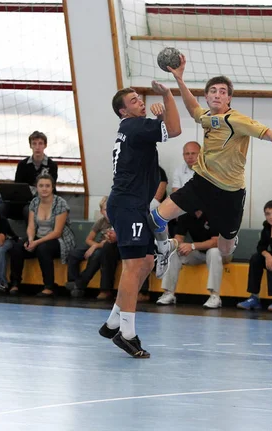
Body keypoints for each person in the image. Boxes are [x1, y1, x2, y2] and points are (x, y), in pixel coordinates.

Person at [148, 54, 272, 263]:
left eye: (223, 92)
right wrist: (180, 80)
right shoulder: (207, 116)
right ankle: (164, 248)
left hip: (229, 193)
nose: (217, 94)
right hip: (201, 183)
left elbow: (271, 133)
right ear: (207, 97)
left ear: (229, 99)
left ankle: (230, 239)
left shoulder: (237, 120)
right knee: (156, 217)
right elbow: (193, 109)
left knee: (224, 250)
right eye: (213, 91)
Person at [98, 81, 181, 359]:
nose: (140, 102)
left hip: (134, 204)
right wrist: (169, 96)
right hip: (128, 205)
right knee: (133, 267)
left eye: (139, 98)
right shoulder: (134, 126)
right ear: (123, 111)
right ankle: (127, 333)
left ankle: (112, 323)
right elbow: (175, 129)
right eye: (134, 101)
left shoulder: (133, 129)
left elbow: (161, 131)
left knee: (145, 262)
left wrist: (158, 118)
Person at [9, 174, 75, 296]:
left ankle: (49, 286)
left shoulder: (61, 203)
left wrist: (36, 242)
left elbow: (57, 232)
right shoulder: (34, 202)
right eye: (41, 186)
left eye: (47, 186)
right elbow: (31, 226)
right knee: (18, 246)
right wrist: (30, 240)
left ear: (52, 187)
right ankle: (14, 284)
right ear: (36, 188)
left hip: (59, 239)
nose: (44, 189)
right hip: (38, 236)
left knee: (43, 248)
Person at [156, 210, 226, 308]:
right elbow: (179, 237)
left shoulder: (214, 212)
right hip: (199, 252)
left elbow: (215, 242)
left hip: (223, 252)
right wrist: (171, 244)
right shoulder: (185, 213)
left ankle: (215, 296)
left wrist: (192, 246)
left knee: (213, 252)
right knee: (174, 252)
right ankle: (169, 293)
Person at [5, 131, 59, 220]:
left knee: (29, 210)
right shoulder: (22, 164)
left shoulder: (52, 165)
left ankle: (33, 233)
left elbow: (51, 186)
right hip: (25, 200)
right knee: (5, 207)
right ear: (30, 146)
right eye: (34, 144)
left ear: (45, 145)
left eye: (40, 143)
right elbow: (18, 186)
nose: (37, 147)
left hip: (44, 200)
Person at [66, 196, 113, 298]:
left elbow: (110, 242)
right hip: (97, 245)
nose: (108, 212)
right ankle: (73, 281)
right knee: (74, 254)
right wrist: (94, 245)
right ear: (101, 211)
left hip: (107, 248)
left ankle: (79, 284)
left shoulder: (117, 222)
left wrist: (95, 246)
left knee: (96, 255)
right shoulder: (100, 222)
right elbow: (88, 239)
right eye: (105, 209)